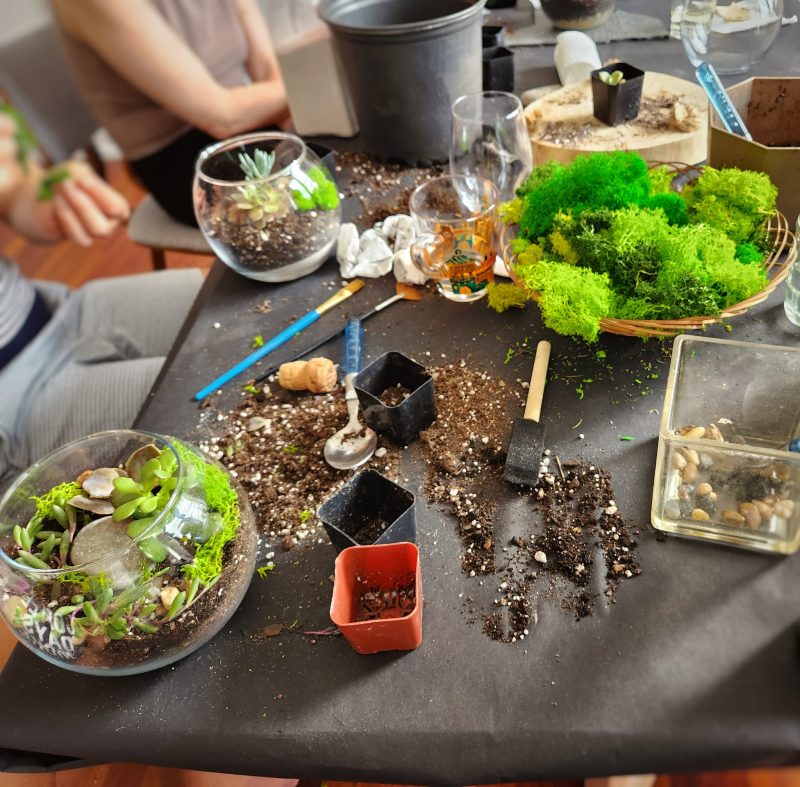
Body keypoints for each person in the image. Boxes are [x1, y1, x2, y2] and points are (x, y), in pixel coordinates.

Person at [0, 109, 203, 487]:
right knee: (205, 392)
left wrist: (39, 200)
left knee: (240, 312)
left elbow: (11, 187)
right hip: (13, 404)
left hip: (56, 309)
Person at [52, 0, 290, 226]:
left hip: (252, 117)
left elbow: (267, 65)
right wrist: (306, 89)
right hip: (184, 157)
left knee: (323, 151)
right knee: (313, 188)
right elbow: (222, 116)